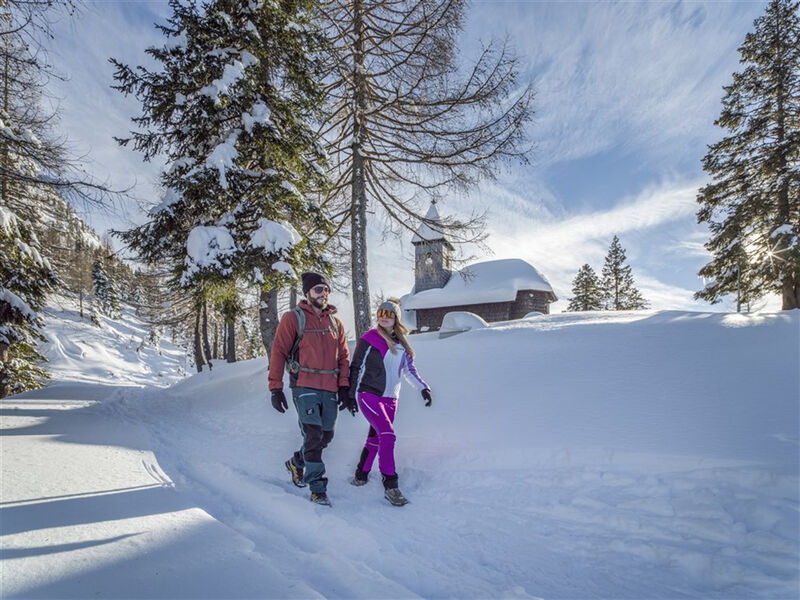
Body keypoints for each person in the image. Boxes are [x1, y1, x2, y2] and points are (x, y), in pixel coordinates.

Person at [268, 272, 356, 506]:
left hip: (329, 388)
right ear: (307, 293)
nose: (323, 294)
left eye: (326, 289)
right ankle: (317, 488)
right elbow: (278, 352)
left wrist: (345, 387)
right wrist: (275, 388)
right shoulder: (293, 318)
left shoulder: (335, 323)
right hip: (304, 385)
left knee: (326, 436)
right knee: (313, 435)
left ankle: (296, 462)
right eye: (318, 290)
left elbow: (344, 358)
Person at [348, 299, 432, 506]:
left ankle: (361, 474)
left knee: (376, 439)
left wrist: (423, 388)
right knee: (388, 435)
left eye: (389, 313)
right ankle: (391, 485)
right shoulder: (369, 339)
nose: (384, 316)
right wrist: (350, 394)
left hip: (390, 399)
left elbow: (409, 371)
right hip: (369, 395)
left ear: (396, 318)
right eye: (381, 313)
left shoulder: (402, 345)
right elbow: (356, 367)